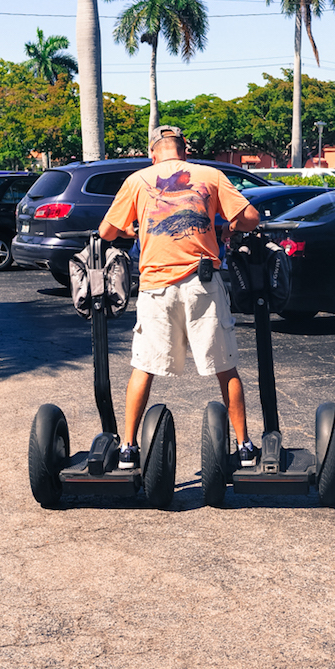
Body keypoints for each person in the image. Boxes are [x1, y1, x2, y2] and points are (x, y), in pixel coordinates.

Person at [98, 124, 261, 469]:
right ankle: (245, 447)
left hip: (156, 287)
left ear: (152, 153)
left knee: (143, 366)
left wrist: (132, 228)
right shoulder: (210, 174)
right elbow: (250, 218)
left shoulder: (137, 180)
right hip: (202, 283)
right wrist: (228, 227)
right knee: (225, 366)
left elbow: (106, 232)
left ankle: (128, 448)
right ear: (185, 150)